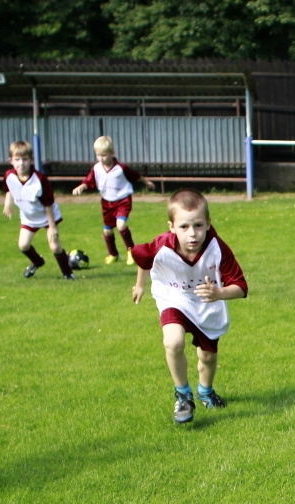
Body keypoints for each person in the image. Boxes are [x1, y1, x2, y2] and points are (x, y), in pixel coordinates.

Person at [130, 190, 249, 425]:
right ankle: (183, 395)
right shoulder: (163, 244)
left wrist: (219, 293)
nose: (192, 234)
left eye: (198, 225)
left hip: (207, 302)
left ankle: (205, 391)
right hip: (173, 296)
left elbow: (241, 287)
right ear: (171, 226)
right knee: (173, 342)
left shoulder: (217, 248)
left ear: (208, 224)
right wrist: (139, 286)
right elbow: (143, 258)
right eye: (184, 227)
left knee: (207, 356)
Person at [1, 141, 75, 280]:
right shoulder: (8, 176)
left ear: (31, 160)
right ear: (10, 161)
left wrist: (52, 227)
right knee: (23, 245)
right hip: (29, 217)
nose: (21, 163)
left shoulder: (39, 180)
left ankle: (68, 273)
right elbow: (9, 189)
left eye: (25, 159)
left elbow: (48, 204)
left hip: (48, 217)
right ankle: (37, 262)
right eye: (17, 160)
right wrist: (8, 203)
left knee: (55, 246)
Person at [72, 135, 142, 265]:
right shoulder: (97, 168)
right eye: (98, 155)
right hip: (106, 202)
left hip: (122, 200)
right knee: (107, 230)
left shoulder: (121, 168)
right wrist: (82, 186)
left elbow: (135, 176)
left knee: (121, 225)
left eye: (104, 155)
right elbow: (89, 180)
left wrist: (147, 182)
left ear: (112, 153)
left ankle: (132, 252)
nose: (101, 158)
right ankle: (113, 254)